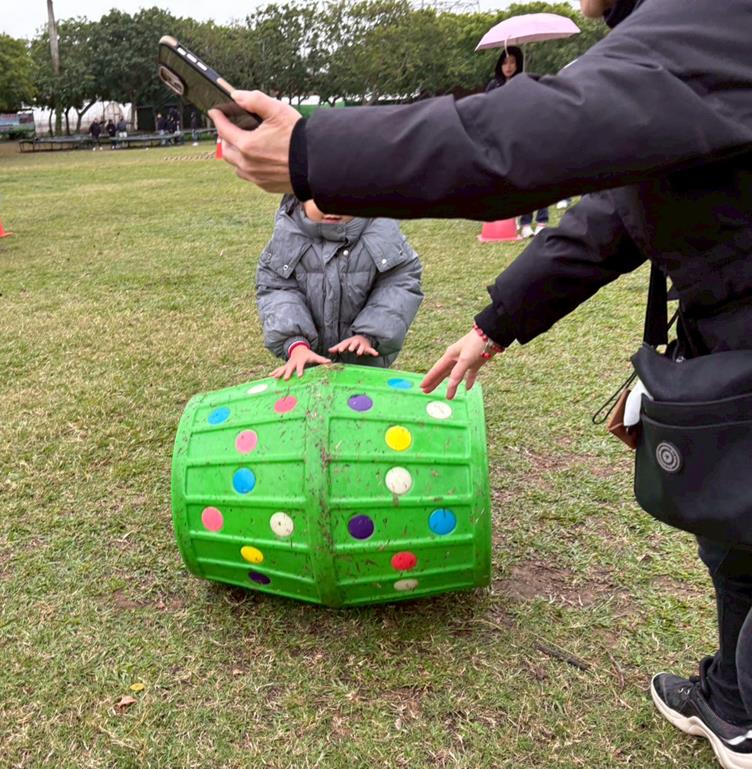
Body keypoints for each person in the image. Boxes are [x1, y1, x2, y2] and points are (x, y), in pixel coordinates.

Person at [212, 1, 752, 766]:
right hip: (728, 359)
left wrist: (315, 150)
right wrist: (497, 320)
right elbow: (614, 218)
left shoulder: (712, 16)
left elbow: (519, 137)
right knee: (735, 533)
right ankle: (734, 701)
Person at [257, 195, 423, 380]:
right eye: (319, 196)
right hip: (306, 363)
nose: (331, 207)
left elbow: (398, 284)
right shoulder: (288, 235)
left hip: (365, 360)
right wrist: (296, 344)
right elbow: (278, 289)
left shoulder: (381, 233)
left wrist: (370, 334)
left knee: (362, 396)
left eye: (343, 193)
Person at [484, 46, 547, 237]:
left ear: (518, 63)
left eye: (512, 62)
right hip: (503, 139)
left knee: (538, 177)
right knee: (516, 182)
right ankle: (522, 222)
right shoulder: (494, 86)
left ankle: (541, 221)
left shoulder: (526, 83)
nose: (508, 66)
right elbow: (486, 110)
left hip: (527, 136)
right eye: (505, 62)